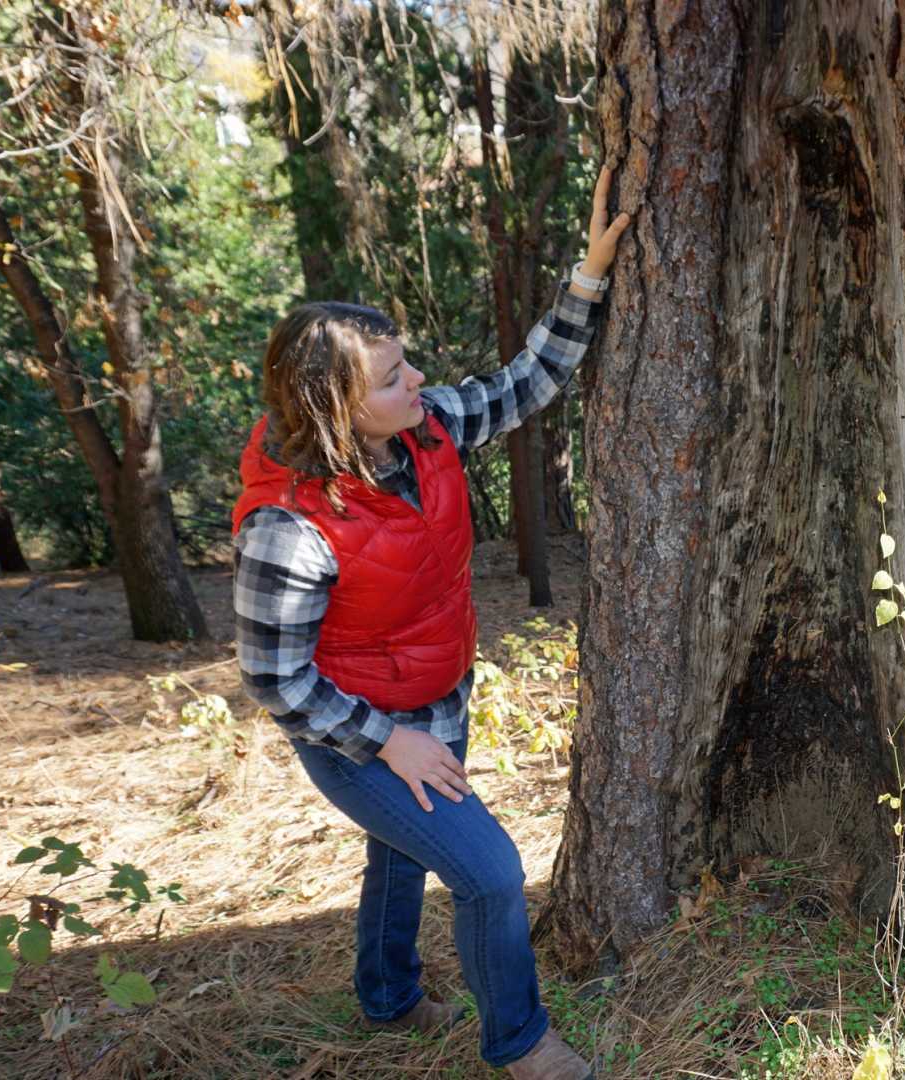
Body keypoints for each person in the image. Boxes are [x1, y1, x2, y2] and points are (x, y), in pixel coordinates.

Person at [232, 167, 631, 1080]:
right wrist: (389, 744)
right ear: (336, 409)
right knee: (488, 872)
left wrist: (588, 277)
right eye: (392, 375)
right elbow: (276, 682)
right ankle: (521, 1046)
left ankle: (387, 998)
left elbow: (527, 383)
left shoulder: (425, 427)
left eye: (406, 362)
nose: (418, 379)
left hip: (436, 693)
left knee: (401, 855)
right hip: (355, 731)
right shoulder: (285, 530)